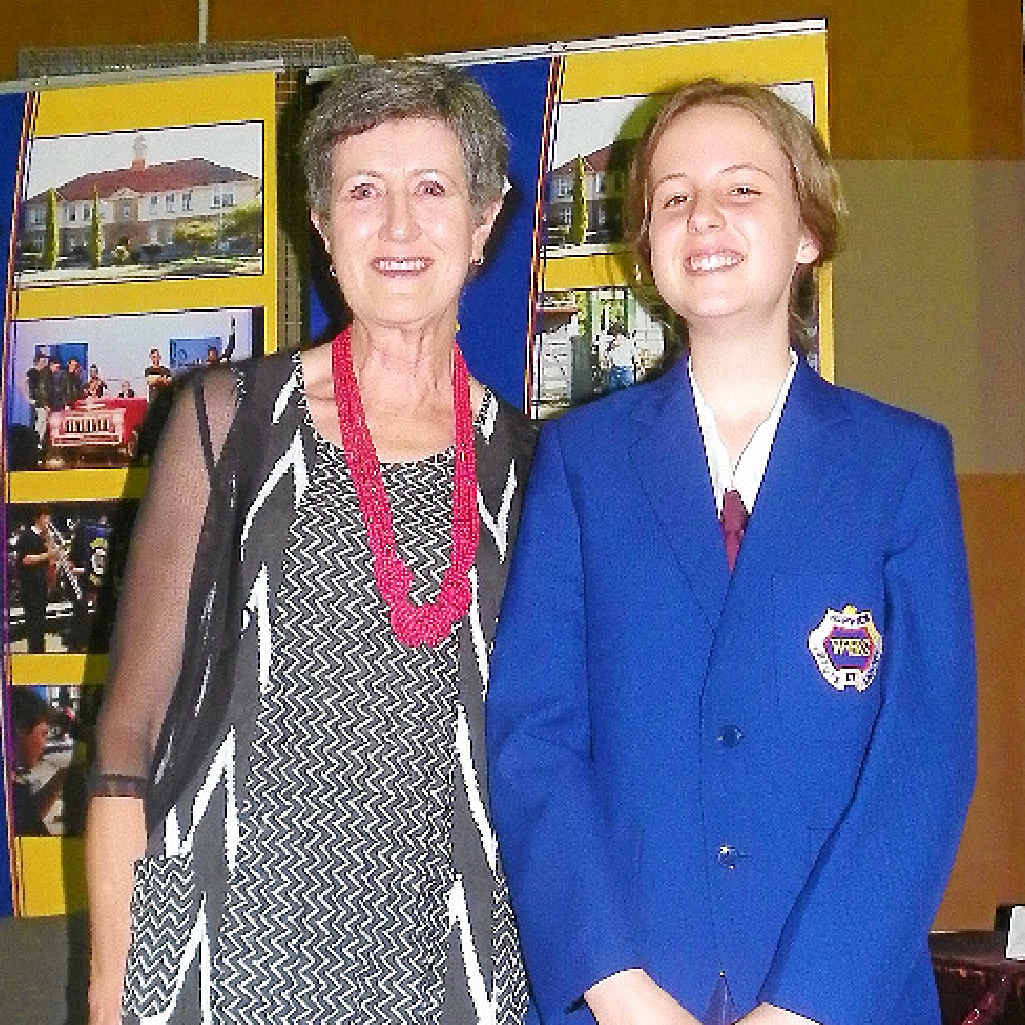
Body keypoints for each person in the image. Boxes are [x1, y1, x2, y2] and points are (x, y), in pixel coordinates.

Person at [487, 78, 975, 1025]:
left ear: (808, 231)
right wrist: (617, 987)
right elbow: (533, 739)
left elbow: (923, 755)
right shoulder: (580, 465)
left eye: (741, 188)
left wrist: (807, 1005)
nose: (702, 214)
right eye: (671, 197)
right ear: (647, 249)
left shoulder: (901, 464)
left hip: (845, 1001)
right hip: (624, 1000)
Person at [86, 58, 535, 1025]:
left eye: (431, 189)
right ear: (324, 229)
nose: (401, 226)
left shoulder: (536, 468)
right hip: (220, 954)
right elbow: (127, 740)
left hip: (448, 959)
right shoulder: (226, 423)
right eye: (363, 192)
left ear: (483, 221)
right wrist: (109, 993)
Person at [11, 688, 66, 835]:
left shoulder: (11, 786)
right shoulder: (9, 788)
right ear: (20, 729)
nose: (44, 744)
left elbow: (27, 816)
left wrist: (60, 778)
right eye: (43, 734)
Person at [16, 507, 57, 653]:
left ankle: (40, 652)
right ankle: (35, 653)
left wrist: (49, 542)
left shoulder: (44, 537)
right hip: (30, 587)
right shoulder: (27, 536)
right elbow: (26, 560)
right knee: (33, 623)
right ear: (39, 518)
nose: (49, 521)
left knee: (40, 622)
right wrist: (48, 554)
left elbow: (51, 559)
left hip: (42, 585)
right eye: (47, 517)